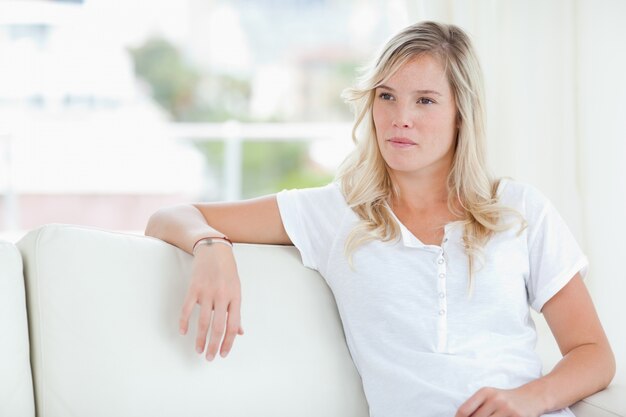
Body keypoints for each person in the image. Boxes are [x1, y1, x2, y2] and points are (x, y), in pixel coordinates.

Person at [145, 21, 615, 417]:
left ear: (460, 114)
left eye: (425, 100)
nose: (399, 118)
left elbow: (594, 355)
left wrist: (526, 399)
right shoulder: (335, 213)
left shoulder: (519, 210)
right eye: (386, 96)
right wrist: (211, 247)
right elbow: (171, 216)